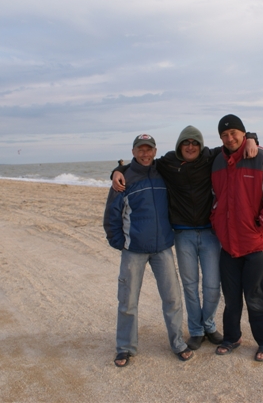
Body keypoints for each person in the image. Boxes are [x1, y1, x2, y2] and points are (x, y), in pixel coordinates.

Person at [111, 126, 258, 351]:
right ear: (179, 146)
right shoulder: (168, 163)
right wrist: (117, 170)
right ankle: (196, 330)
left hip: (210, 234)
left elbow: (232, 146)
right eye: (186, 143)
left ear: (201, 145)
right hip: (182, 234)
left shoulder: (210, 156)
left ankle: (209, 325)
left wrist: (251, 138)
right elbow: (141, 164)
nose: (190, 147)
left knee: (212, 286)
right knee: (189, 286)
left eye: (195, 143)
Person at [103, 134, 193, 367]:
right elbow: (111, 214)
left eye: (149, 149)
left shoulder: (163, 172)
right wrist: (120, 242)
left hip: (162, 248)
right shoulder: (124, 179)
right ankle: (125, 347)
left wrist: (116, 169)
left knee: (172, 298)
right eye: (140, 150)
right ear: (133, 152)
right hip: (133, 250)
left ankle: (178, 343)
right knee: (128, 300)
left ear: (155, 151)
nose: (145, 154)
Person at [210, 114, 263, 362]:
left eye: (233, 133)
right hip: (228, 244)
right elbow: (214, 197)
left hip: (257, 244)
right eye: (224, 135)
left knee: (257, 296)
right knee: (231, 297)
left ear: (243, 134)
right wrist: (217, 223)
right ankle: (232, 337)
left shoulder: (262, 157)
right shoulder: (217, 161)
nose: (229, 138)